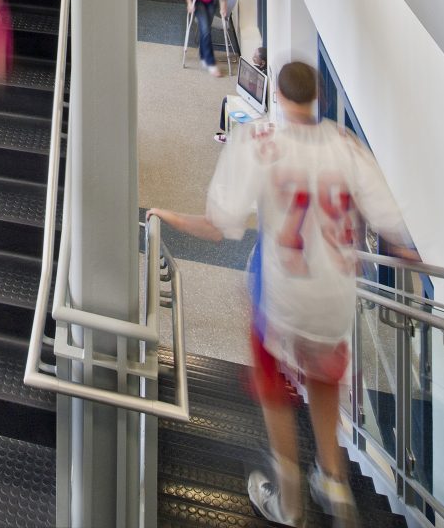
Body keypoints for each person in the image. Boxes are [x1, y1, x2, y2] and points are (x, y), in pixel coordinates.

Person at [148, 61, 419, 528]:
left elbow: (220, 226)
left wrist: (166, 215)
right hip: (334, 296)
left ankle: (289, 501)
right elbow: (394, 228)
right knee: (324, 376)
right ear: (318, 99)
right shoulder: (346, 145)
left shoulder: (258, 141)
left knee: (273, 387)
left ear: (277, 95)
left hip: (282, 294)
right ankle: (333, 478)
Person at [181, 0, 231, 76]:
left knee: (206, 30)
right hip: (198, 3)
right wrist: (189, 2)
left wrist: (223, 5)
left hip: (211, 3)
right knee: (206, 30)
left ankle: (203, 55)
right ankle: (210, 62)